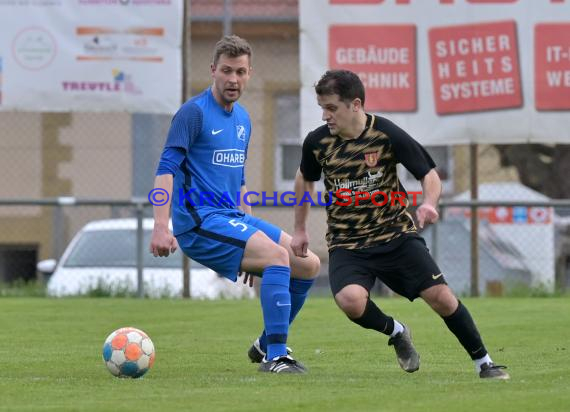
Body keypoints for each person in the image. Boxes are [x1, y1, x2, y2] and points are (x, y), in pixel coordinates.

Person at [291, 69, 509, 380]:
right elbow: (304, 179)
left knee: (441, 298)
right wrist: (299, 229)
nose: (325, 115)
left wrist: (429, 203)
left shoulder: (386, 133)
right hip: (347, 243)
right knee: (351, 302)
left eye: (331, 108)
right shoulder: (317, 142)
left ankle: (484, 362)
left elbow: (428, 173)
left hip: (395, 235)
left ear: (355, 104)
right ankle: (396, 332)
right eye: (322, 108)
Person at [149, 35, 320, 374]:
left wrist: (248, 232)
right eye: (226, 70)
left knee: (309, 265)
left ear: (249, 74)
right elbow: (165, 170)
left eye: (240, 72)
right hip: (199, 224)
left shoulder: (242, 119)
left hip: (230, 219)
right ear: (213, 70)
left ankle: (265, 341)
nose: (233, 79)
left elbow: (239, 180)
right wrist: (160, 226)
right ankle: (276, 355)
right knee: (277, 256)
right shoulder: (193, 113)